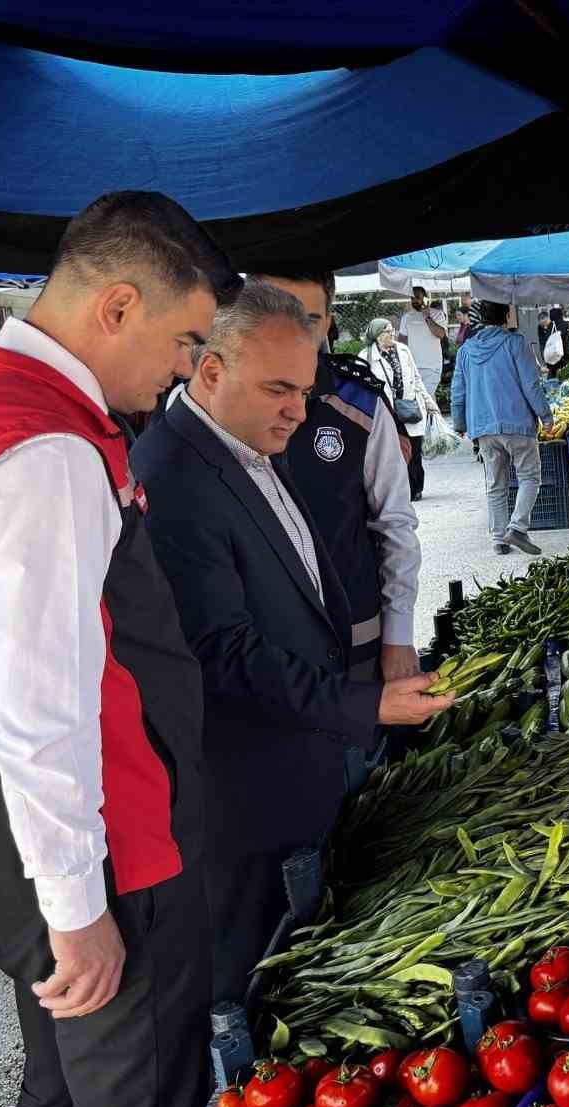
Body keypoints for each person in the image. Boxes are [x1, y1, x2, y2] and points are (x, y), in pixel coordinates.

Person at [0, 190, 239, 1107]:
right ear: (118, 306)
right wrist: (81, 907)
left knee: (57, 1090)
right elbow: (40, 702)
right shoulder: (46, 450)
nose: (182, 371)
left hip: (17, 854)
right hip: (109, 859)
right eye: (183, 341)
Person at [131, 281, 453, 1002]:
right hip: (246, 803)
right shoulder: (176, 477)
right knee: (254, 985)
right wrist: (367, 705)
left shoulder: (243, 441)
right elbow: (222, 654)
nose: (298, 411)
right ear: (210, 372)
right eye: (279, 389)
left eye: (304, 390)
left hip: (296, 768)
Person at [251, 270, 425, 683]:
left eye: (308, 319)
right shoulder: (222, 403)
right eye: (277, 316)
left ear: (328, 321)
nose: (293, 335)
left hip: (353, 639)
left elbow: (395, 523)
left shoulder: (360, 405)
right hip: (259, 649)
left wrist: (398, 636)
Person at [451, 300, 552, 555]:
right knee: (529, 477)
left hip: (483, 427)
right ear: (507, 316)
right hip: (517, 423)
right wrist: (545, 415)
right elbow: (531, 384)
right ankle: (517, 528)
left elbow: (458, 391)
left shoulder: (466, 350)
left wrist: (460, 422)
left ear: (480, 318)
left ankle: (498, 539)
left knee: (495, 484)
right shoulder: (515, 343)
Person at [360, 315, 439, 501]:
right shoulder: (366, 357)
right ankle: (400, 490)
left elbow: (416, 378)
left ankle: (416, 487)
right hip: (387, 411)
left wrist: (429, 403)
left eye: (392, 330)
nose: (392, 334)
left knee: (415, 448)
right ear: (377, 335)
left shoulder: (403, 350)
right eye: (387, 331)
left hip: (410, 405)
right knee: (394, 451)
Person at [399, 284, 447, 399]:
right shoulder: (407, 317)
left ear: (425, 298)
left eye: (417, 297)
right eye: (412, 298)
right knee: (423, 400)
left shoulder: (437, 314)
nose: (414, 300)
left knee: (426, 399)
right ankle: (434, 417)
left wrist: (427, 317)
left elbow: (440, 334)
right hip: (414, 367)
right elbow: (401, 341)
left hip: (432, 366)